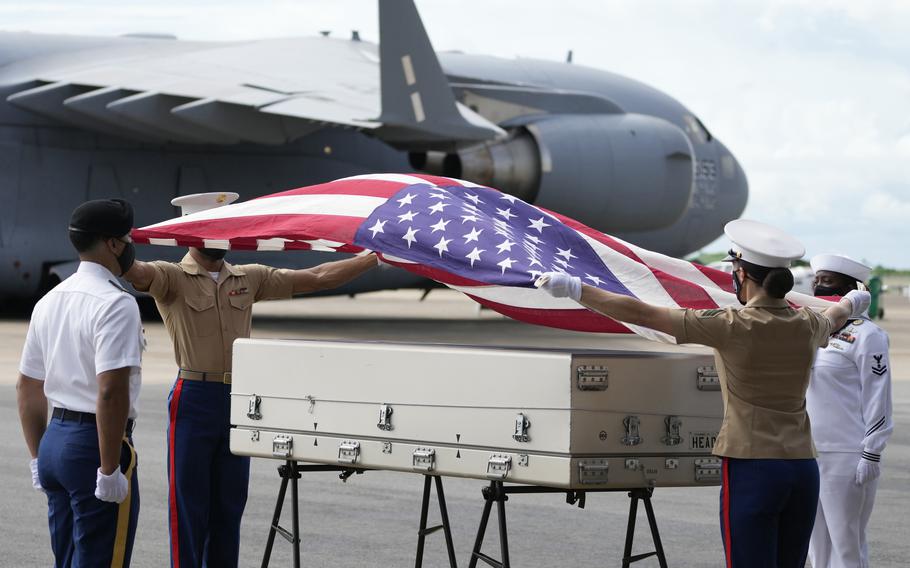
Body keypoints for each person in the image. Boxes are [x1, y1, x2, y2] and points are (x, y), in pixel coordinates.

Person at [536, 219, 870, 568]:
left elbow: (643, 313)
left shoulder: (731, 325)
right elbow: (836, 314)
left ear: (742, 275)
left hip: (753, 466)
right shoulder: (808, 324)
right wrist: (851, 300)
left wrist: (578, 290)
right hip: (803, 468)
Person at [123, 192, 378, 568]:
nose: (224, 236)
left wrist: (371, 257)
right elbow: (138, 274)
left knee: (229, 505)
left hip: (238, 398)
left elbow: (318, 277)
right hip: (194, 395)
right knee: (188, 505)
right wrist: (121, 244)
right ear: (195, 232)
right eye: (216, 228)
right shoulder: (172, 277)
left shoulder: (248, 277)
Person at [17, 198, 143, 567]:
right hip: (93, 446)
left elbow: (27, 385)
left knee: (68, 557)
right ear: (114, 245)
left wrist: (38, 457)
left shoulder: (49, 300)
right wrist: (108, 469)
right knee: (101, 559)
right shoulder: (116, 303)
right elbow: (110, 391)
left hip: (54, 439)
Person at [807, 254, 892, 568]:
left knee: (846, 545)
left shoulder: (868, 336)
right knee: (816, 549)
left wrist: (872, 450)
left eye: (826, 281)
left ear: (850, 289)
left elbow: (878, 395)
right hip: (807, 450)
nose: (817, 286)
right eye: (816, 280)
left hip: (846, 453)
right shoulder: (811, 328)